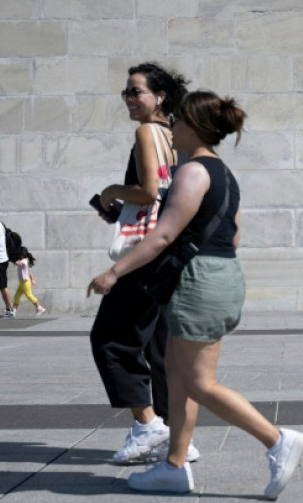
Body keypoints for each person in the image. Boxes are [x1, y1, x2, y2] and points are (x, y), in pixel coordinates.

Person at [88, 90, 303, 499]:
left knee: (197, 381)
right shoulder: (225, 174)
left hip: (199, 280)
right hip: (220, 273)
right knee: (177, 375)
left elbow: (165, 233)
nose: (173, 129)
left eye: (180, 122)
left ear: (196, 127)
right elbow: (236, 234)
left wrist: (114, 272)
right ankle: (174, 466)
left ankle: (277, 441)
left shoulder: (192, 172)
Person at [89, 62, 191, 465]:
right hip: (171, 254)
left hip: (145, 256)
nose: (129, 99)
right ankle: (176, 437)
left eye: (137, 92)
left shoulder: (147, 132)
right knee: (159, 347)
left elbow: (148, 192)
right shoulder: (176, 135)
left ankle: (148, 425)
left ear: (159, 96)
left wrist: (111, 191)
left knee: (109, 339)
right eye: (126, 93)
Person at [11, 247, 45, 316]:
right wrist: (32, 279)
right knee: (17, 296)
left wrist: (10, 259)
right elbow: (29, 271)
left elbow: (17, 263)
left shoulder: (24, 261)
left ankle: (40, 307)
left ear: (21, 254)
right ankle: (14, 310)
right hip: (22, 283)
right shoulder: (24, 260)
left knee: (29, 295)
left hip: (26, 282)